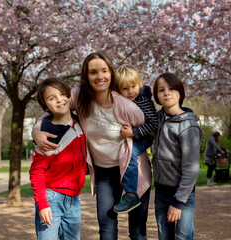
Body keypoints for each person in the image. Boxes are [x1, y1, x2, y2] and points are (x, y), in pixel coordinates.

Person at [32, 52, 152, 240]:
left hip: (133, 169)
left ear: (111, 73)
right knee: (106, 230)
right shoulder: (80, 97)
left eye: (104, 71)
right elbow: (57, 107)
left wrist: (135, 133)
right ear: (86, 76)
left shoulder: (126, 106)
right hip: (104, 173)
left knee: (137, 232)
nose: (100, 76)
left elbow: (150, 127)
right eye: (93, 72)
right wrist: (36, 131)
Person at [29, 78, 87, 240]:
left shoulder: (79, 122)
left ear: (69, 97)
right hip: (52, 198)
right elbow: (36, 171)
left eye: (62, 94)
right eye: (51, 98)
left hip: (74, 198)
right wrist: (42, 204)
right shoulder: (49, 136)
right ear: (46, 106)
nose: (59, 100)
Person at [152, 72, 202, 240]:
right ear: (156, 95)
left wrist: (178, 202)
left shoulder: (189, 126)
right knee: (164, 236)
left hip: (182, 193)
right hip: (160, 190)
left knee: (182, 237)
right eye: (161, 90)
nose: (166, 93)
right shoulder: (157, 118)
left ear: (180, 93)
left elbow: (192, 169)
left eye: (172, 89)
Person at [113, 65, 157, 213]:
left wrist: (133, 131)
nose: (130, 91)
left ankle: (131, 193)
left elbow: (153, 124)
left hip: (143, 136)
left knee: (130, 154)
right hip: (134, 134)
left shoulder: (144, 100)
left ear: (139, 84)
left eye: (133, 86)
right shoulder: (121, 101)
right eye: (125, 89)